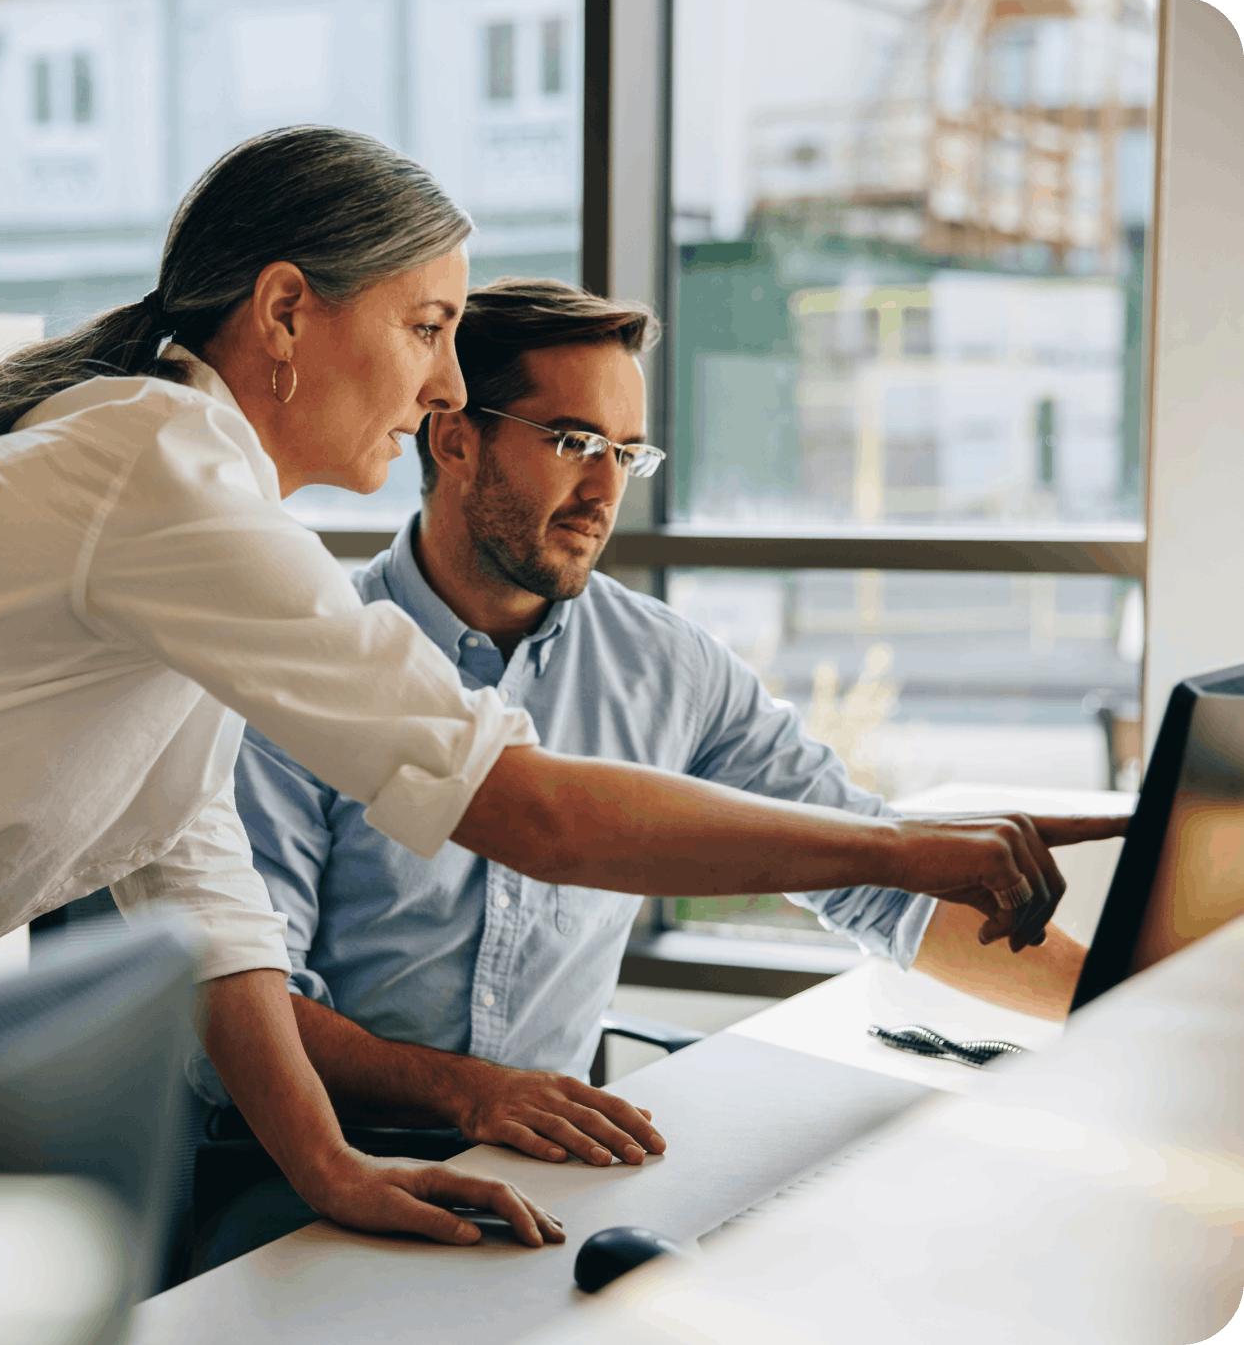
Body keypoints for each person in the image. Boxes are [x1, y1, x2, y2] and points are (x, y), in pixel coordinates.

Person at [0, 129, 1117, 1253]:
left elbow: (192, 876)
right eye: (430, 325)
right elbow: (522, 805)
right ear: (290, 311)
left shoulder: (192, 516)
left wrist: (333, 1169)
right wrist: (916, 852)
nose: (446, 379)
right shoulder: (160, 474)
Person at [187, 277, 1096, 1264]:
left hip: (547, 1168)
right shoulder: (305, 660)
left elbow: (882, 883)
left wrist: (1118, 1013)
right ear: (455, 437)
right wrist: (473, 1091)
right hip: (305, 1166)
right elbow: (247, 993)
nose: (606, 490)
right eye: (575, 442)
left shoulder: (667, 667)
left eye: (627, 453)